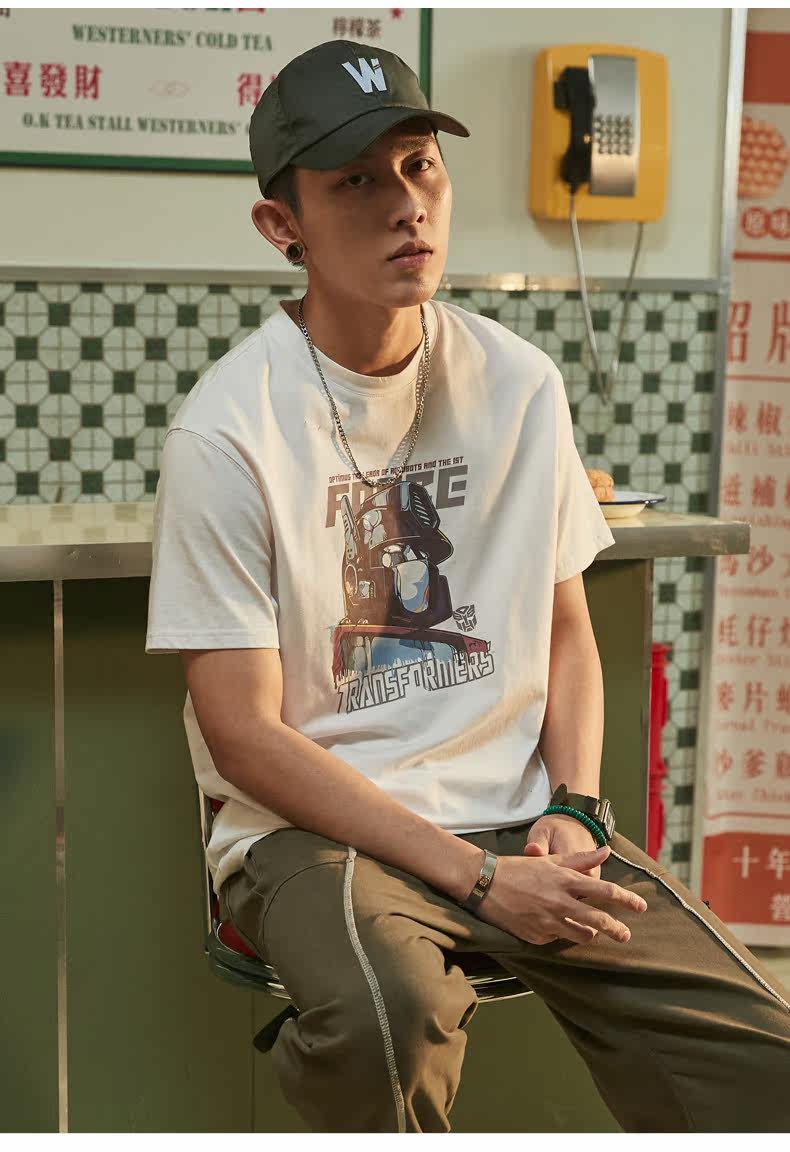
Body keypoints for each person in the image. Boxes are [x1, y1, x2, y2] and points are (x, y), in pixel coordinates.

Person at [146, 39, 790, 1133]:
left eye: (420, 167)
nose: (407, 205)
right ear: (281, 225)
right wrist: (478, 881)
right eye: (357, 182)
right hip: (316, 833)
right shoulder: (227, 430)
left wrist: (574, 806)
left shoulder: (518, 383)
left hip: (519, 818)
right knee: (388, 1016)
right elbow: (243, 736)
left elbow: (566, 634)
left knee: (759, 1052)